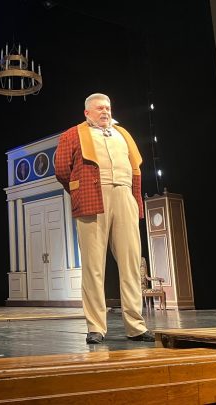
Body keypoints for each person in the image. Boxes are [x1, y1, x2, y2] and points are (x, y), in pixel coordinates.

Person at [55, 93, 154, 344]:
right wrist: (80, 191)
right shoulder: (73, 134)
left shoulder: (123, 134)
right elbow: (62, 170)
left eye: (108, 108)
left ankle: (136, 326)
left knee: (131, 263)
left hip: (124, 195)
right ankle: (96, 327)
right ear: (87, 112)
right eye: (100, 108)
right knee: (93, 267)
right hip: (93, 199)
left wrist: (133, 199)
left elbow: (135, 168)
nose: (105, 112)